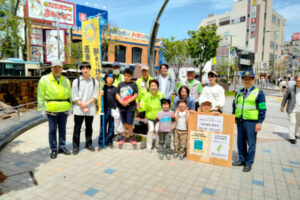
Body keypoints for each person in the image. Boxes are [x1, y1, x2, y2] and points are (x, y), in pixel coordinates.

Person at [232, 71, 266, 172]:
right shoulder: (239, 92)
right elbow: (235, 105)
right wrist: (234, 116)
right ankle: (242, 159)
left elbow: (262, 109)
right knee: (240, 142)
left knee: (251, 143)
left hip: (251, 122)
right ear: (242, 80)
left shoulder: (259, 93)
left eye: (249, 79)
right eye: (245, 79)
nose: (247, 81)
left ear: (253, 80)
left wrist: (259, 122)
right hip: (240, 121)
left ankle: (249, 163)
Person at [37, 60, 72, 159]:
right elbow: (41, 94)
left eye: (59, 67)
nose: (57, 69)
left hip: (64, 108)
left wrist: (71, 107)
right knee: (52, 130)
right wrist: (41, 108)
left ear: (62, 68)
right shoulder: (44, 79)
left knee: (62, 130)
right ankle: (53, 149)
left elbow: (70, 94)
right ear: (51, 68)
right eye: (55, 67)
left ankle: (62, 147)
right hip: (51, 109)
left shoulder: (65, 80)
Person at [72, 62, 99, 154]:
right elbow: (74, 96)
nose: (85, 70)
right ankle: (75, 147)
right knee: (77, 128)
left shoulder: (95, 82)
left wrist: (86, 105)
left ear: (90, 69)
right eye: (83, 68)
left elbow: (95, 96)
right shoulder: (77, 81)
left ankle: (88, 144)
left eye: (87, 68)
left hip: (90, 109)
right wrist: (82, 106)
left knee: (89, 127)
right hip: (79, 110)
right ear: (81, 70)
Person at [138, 79, 164, 151]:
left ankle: (157, 145)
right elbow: (142, 105)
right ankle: (148, 146)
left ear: (157, 86)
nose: (153, 87)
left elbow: (164, 105)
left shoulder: (161, 94)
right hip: (150, 117)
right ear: (149, 87)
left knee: (157, 129)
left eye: (155, 85)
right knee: (151, 130)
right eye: (152, 85)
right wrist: (140, 107)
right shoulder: (147, 95)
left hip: (158, 117)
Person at [116, 68, 138, 145]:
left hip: (130, 107)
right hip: (121, 107)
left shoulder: (134, 84)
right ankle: (123, 137)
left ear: (131, 76)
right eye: (125, 76)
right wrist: (121, 102)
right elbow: (117, 94)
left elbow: (135, 95)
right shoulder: (120, 84)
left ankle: (131, 137)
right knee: (123, 123)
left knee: (130, 123)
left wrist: (127, 101)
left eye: (128, 76)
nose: (127, 77)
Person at [98, 73, 117, 149]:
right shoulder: (102, 88)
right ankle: (101, 143)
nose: (110, 79)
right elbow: (98, 99)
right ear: (105, 79)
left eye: (112, 77)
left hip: (113, 110)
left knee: (111, 127)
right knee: (103, 126)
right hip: (104, 110)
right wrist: (100, 94)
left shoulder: (115, 89)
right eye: (108, 77)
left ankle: (109, 142)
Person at [280, 76, 300, 144]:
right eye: (298, 81)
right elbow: (285, 97)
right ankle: (291, 137)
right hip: (292, 109)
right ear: (295, 81)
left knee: (297, 123)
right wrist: (282, 106)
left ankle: (294, 134)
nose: (299, 82)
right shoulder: (291, 88)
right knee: (293, 122)